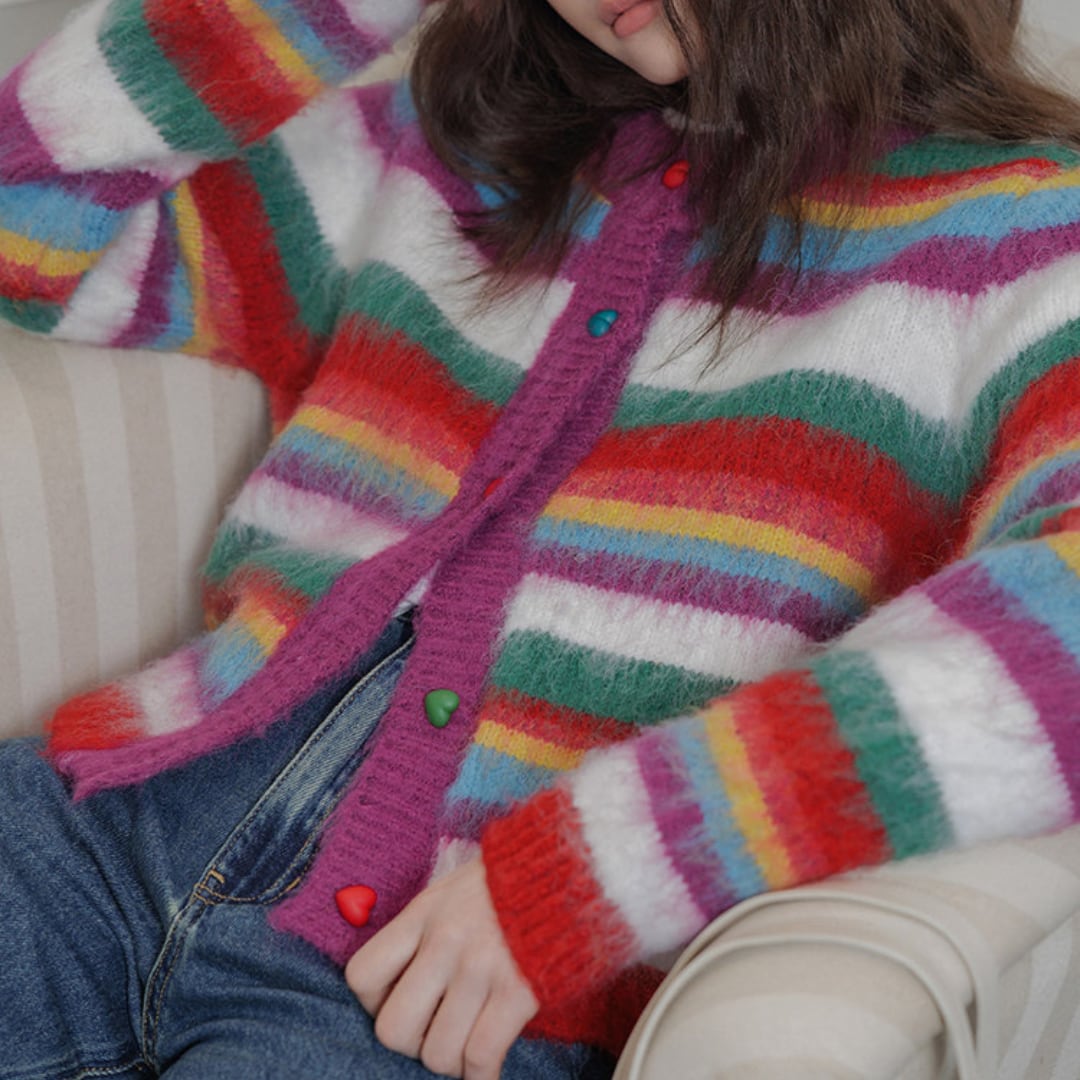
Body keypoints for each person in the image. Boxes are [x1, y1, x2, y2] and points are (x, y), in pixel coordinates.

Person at [1, 0, 1079, 1075]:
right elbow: (23, 222)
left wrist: (594, 870)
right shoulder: (451, 150)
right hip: (102, 831)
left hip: (436, 1010)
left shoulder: (1021, 232)